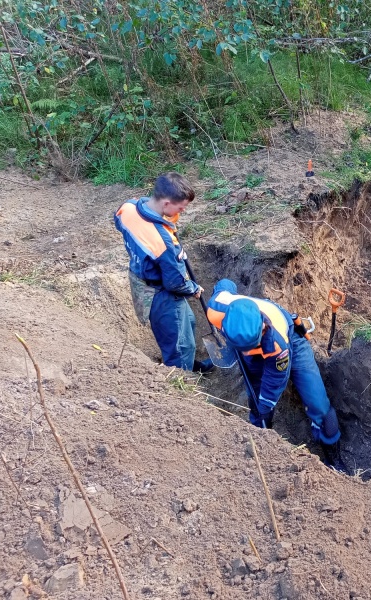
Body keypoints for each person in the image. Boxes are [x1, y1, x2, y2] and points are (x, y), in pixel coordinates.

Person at [206, 279, 345, 471]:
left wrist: (266, 405)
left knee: (318, 404)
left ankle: (334, 459)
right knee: (256, 403)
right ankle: (262, 440)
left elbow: (275, 379)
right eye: (243, 349)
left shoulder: (277, 343)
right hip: (253, 350)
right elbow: (225, 284)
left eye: (251, 347)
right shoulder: (216, 309)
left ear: (263, 328)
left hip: (292, 340)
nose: (247, 352)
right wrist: (260, 411)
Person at [114, 172, 213, 373]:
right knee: (179, 343)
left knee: (189, 322)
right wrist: (193, 288)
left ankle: (188, 363)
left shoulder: (129, 207)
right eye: (181, 206)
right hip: (160, 292)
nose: (183, 210)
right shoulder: (163, 242)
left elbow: (121, 224)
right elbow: (175, 283)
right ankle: (181, 378)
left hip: (141, 277)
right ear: (166, 203)